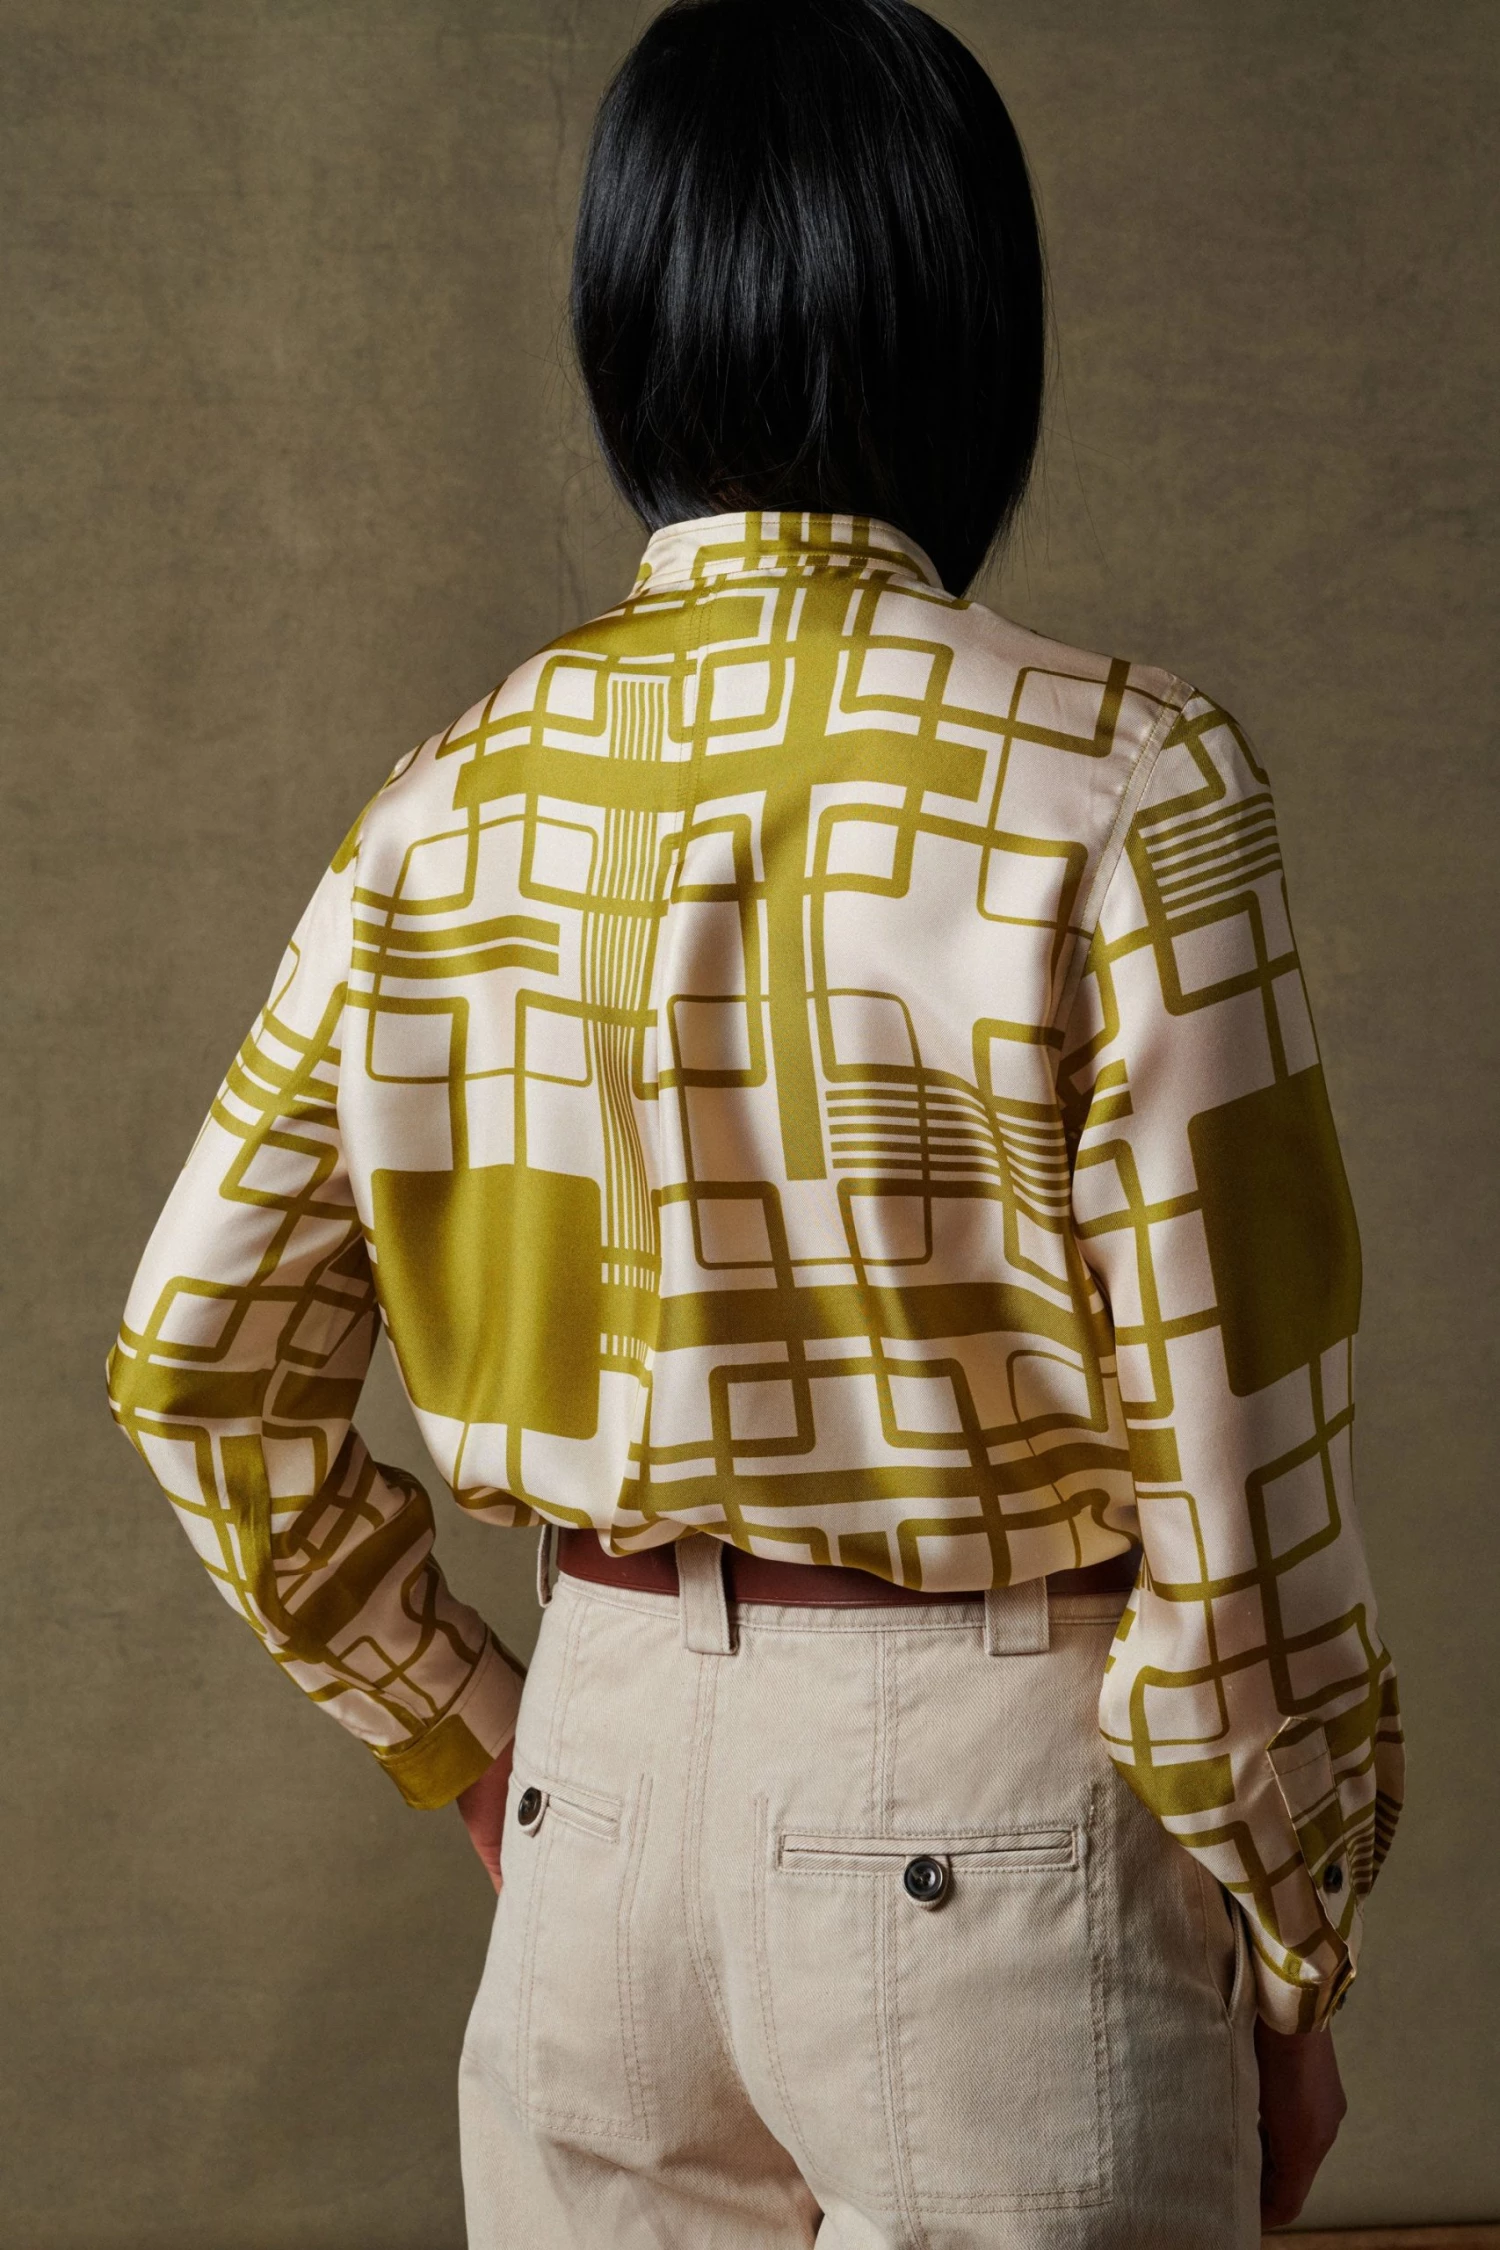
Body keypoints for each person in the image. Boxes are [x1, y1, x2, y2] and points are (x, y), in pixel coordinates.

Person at [107, 1, 1404, 2242]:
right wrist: (1292, 1944)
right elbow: (1247, 1452)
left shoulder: (444, 810)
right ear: (972, 329)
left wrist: (474, 1733)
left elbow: (194, 1362)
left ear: (630, 329)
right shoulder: (1124, 777)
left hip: (599, 1799)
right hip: (996, 1805)